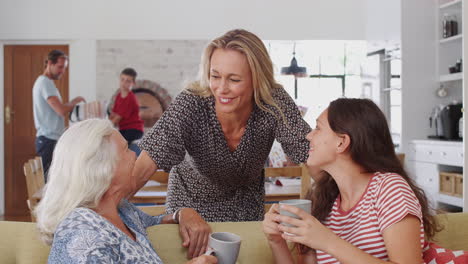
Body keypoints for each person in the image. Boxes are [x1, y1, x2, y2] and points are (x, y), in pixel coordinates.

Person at [134, 29, 311, 223]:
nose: (222, 89)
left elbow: (310, 153)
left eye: (234, 79)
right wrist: (105, 215)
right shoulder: (191, 102)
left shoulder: (273, 101)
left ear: (258, 80)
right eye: (215, 76)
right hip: (189, 213)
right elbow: (144, 165)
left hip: (246, 212)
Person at [263, 98, 439, 264]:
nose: (309, 136)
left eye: (318, 128)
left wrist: (327, 241)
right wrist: (276, 241)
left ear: (342, 142)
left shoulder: (389, 189)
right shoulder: (324, 200)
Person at [35, 119, 216, 263]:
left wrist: (184, 213)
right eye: (126, 149)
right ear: (104, 168)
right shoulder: (82, 234)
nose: (135, 155)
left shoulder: (121, 211)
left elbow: (154, 220)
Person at [33, 50, 85, 178]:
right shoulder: (45, 83)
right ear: (50, 63)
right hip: (48, 140)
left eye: (64, 68)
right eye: (60, 67)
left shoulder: (47, 83)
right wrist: (74, 102)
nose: (62, 71)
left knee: (52, 183)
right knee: (49, 185)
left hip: (50, 139)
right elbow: (60, 110)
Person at [109, 67, 145, 145]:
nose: (124, 83)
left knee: (117, 142)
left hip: (134, 129)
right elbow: (113, 115)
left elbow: (117, 118)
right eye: (122, 79)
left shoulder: (130, 98)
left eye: (128, 81)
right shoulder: (118, 96)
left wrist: (104, 127)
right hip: (124, 129)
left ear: (133, 83)